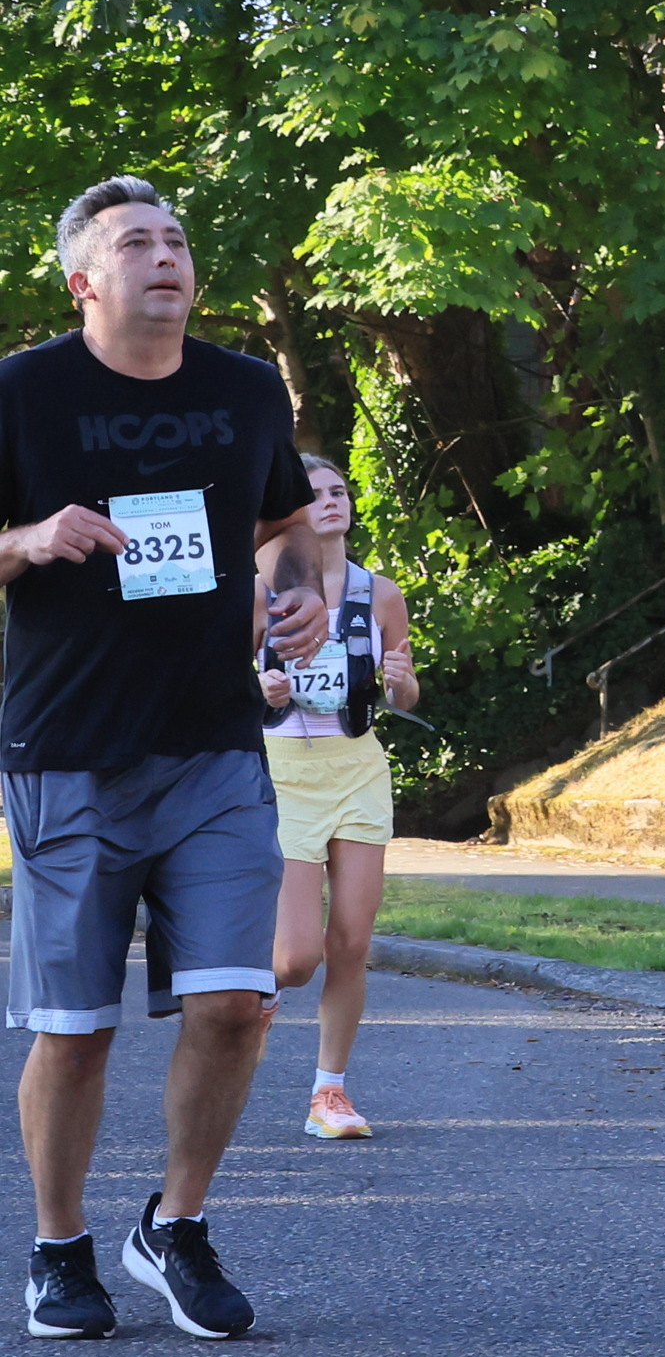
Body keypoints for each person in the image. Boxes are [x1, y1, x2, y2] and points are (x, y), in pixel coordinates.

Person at [11, 178, 324, 1342]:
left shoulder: (246, 388)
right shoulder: (23, 392)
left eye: (177, 239)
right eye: (136, 241)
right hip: (69, 751)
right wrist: (29, 537)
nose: (165, 255)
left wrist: (297, 593)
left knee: (239, 1003)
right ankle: (59, 1249)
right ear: (83, 281)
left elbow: (284, 526)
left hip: (213, 747)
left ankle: (174, 1227)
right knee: (76, 1028)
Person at [255, 455, 417, 1141]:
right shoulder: (259, 590)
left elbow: (405, 692)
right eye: (315, 493)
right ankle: (260, 997)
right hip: (284, 772)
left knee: (351, 940)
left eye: (340, 491)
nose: (331, 502)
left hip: (357, 768)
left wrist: (400, 680)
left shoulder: (380, 594)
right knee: (295, 958)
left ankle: (331, 1092)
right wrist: (259, 689)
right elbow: (224, 685)